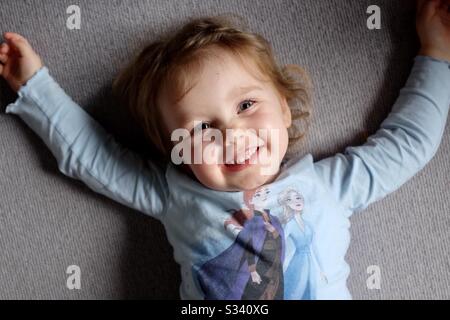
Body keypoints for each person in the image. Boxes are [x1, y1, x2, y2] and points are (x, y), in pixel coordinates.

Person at [1, 0, 449, 299]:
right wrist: (37, 89)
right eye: (200, 129)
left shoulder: (330, 186)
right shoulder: (175, 195)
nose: (231, 134)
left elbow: (407, 144)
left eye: (247, 105)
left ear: (286, 110)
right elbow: (93, 157)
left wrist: (436, 53)